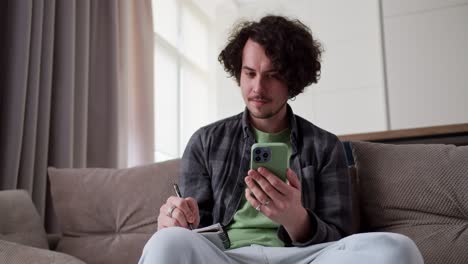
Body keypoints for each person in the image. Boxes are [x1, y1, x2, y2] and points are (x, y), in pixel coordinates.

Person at [138, 15, 424, 264]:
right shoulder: (206, 141)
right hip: (225, 256)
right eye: (249, 73)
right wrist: (177, 220)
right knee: (165, 242)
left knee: (397, 249)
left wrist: (295, 217)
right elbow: (194, 229)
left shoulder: (325, 146)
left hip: (304, 258)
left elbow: (340, 236)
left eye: (272, 76)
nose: (257, 87)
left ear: (293, 80)